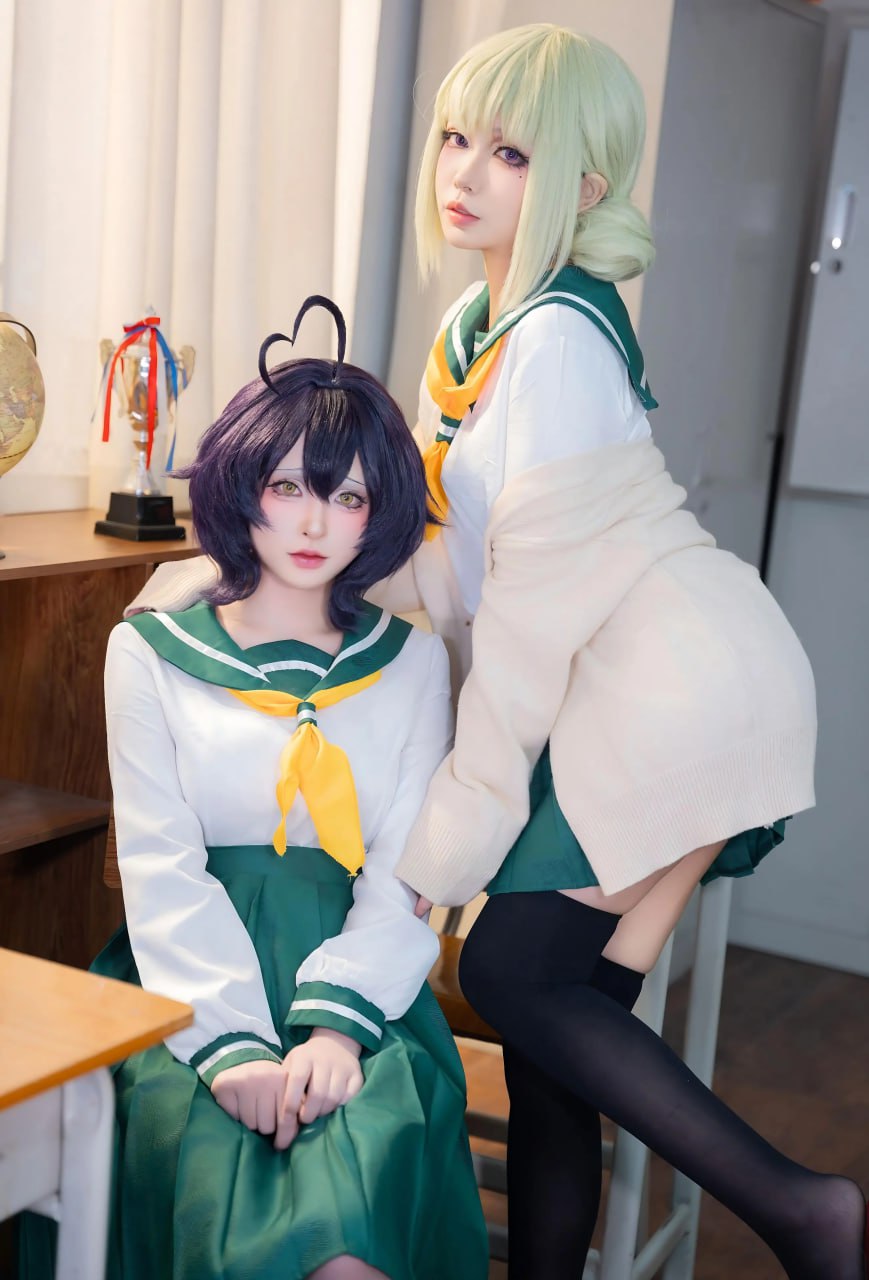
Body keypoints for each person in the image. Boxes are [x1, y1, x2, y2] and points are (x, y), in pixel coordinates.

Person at [113, 27, 868, 1280]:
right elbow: (448, 565)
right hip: (636, 679)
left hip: (665, 688)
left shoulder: (556, 343)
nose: (463, 172)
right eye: (456, 137)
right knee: (554, 1048)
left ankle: (802, 1209)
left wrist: (438, 857)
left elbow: (517, 636)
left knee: (514, 973)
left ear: (581, 183)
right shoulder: (484, 326)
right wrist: (232, 566)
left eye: (511, 152)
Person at [20, 297, 488, 1280]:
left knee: (349, 1240)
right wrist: (230, 1045)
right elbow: (159, 866)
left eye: (349, 497)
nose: (315, 522)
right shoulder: (149, 652)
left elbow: (405, 869)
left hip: (364, 989)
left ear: (380, 514)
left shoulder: (410, 662)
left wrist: (337, 1028)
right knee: (212, 1192)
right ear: (243, 486)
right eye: (287, 485)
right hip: (183, 988)